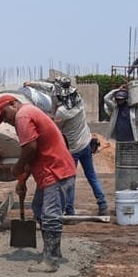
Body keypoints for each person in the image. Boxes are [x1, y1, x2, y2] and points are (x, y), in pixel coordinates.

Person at [0, 94, 77, 273]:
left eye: (4, 115)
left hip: (56, 172)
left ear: (13, 104)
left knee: (49, 215)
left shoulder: (23, 116)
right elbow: (36, 153)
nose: (6, 120)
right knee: (39, 208)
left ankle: (50, 261)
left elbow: (30, 149)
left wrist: (17, 167)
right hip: (53, 171)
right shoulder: (30, 113)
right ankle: (54, 251)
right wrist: (23, 179)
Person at [23, 79, 109, 215]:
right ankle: (102, 204)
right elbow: (48, 86)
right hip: (86, 142)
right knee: (91, 176)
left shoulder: (63, 112)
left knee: (70, 179)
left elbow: (54, 128)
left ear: (60, 96)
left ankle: (69, 211)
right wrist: (31, 83)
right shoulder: (77, 99)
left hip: (73, 148)